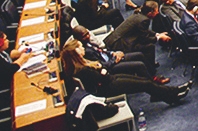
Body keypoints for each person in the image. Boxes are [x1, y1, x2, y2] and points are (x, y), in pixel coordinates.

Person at [61, 40, 190, 105]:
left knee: (145, 81)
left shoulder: (81, 64)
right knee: (145, 85)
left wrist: (102, 70)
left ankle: (171, 92)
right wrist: (102, 70)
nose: (83, 48)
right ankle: (173, 95)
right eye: (80, 47)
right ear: (75, 53)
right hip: (108, 87)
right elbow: (103, 77)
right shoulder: (82, 70)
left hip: (110, 79)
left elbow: (103, 72)